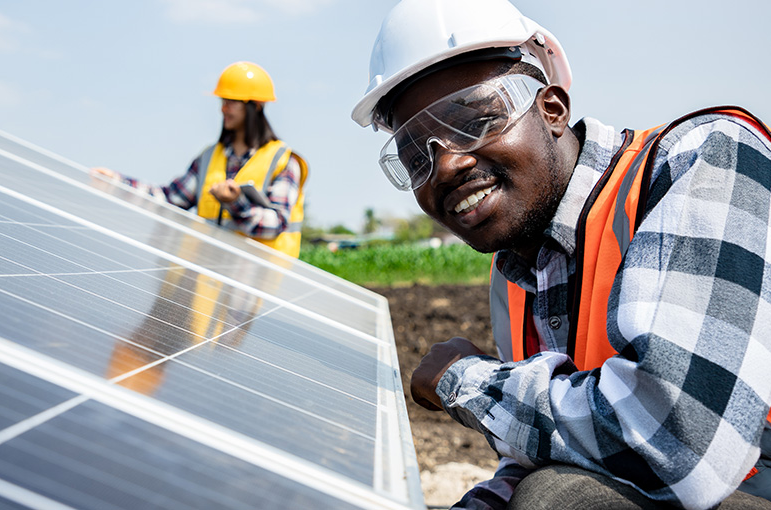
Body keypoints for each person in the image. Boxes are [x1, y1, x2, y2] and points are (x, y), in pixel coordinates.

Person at [351, 1, 771, 509]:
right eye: (417, 155)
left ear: (552, 109)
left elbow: (678, 440)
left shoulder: (702, 158)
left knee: (556, 498)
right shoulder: (514, 272)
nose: (446, 166)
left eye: (474, 121)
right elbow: (553, 452)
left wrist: (463, 379)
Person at [92, 61, 308, 257]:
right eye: (223, 100)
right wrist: (117, 183)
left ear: (256, 106)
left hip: (256, 282)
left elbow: (275, 225)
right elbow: (170, 198)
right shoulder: (209, 157)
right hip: (208, 278)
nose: (223, 108)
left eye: (232, 101)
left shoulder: (283, 161)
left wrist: (235, 203)